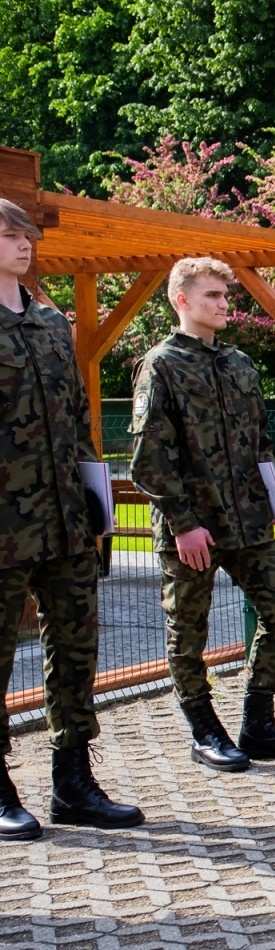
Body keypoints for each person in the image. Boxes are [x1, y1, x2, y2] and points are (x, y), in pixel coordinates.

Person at [130, 257, 275, 773]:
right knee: (188, 632)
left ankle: (258, 721)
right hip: (193, 526)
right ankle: (202, 727)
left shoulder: (239, 363)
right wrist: (184, 524)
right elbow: (149, 457)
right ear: (182, 300)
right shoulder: (161, 364)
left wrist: (274, 502)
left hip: (248, 522)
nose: (223, 304)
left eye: (225, 295)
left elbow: (260, 443)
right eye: (212, 295)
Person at [0, 198, 143, 840]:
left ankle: (73, 781)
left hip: (63, 520)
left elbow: (76, 416)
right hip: (3, 523)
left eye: (26, 234)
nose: (23, 244)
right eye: (9, 235)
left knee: (75, 648)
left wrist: (95, 498)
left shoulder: (53, 325)